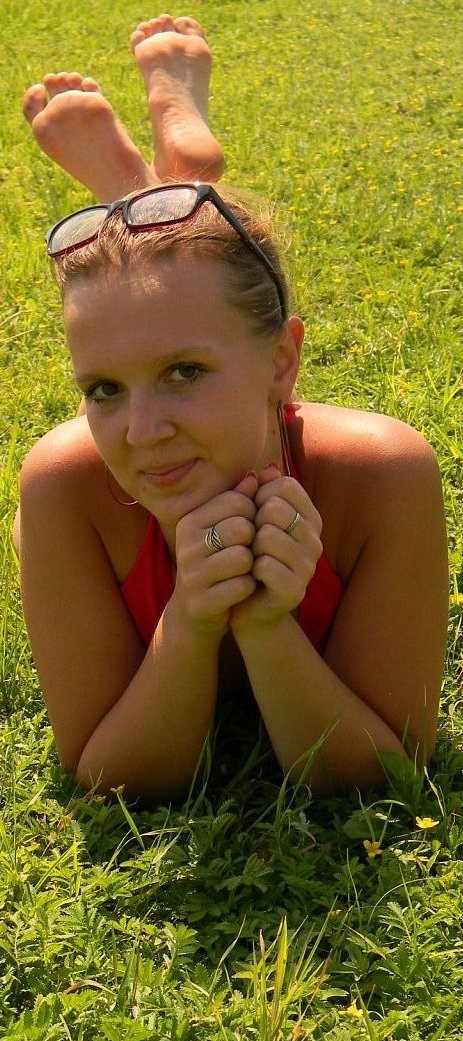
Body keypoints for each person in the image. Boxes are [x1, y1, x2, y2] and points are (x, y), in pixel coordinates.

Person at [18, 15, 449, 802]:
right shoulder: (63, 486)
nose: (141, 433)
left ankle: (147, 192)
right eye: (103, 389)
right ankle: (159, 190)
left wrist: (262, 623)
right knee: (173, 287)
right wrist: (191, 618)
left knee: (179, 284)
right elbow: (109, 778)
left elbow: (381, 772)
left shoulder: (381, 473)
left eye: (183, 372)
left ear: (282, 362)